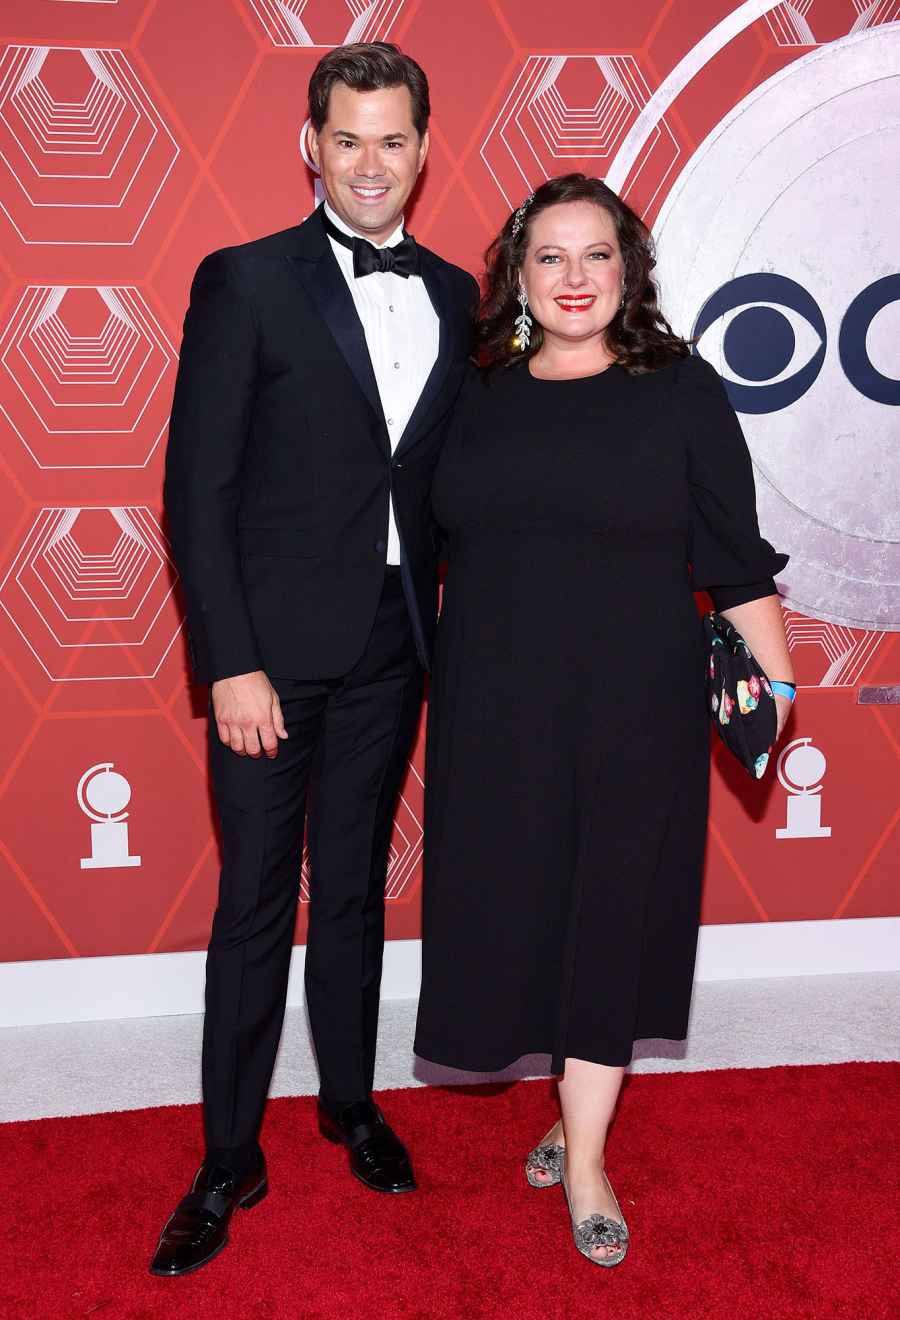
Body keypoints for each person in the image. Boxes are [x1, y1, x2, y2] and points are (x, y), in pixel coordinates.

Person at [413, 173, 794, 1267]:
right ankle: (566, 1103)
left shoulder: (682, 390)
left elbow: (735, 557)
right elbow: (424, 538)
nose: (574, 277)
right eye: (550, 257)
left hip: (637, 700)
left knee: (614, 913)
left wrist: (777, 694)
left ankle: (584, 1157)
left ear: (628, 271)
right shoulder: (474, 392)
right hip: (494, 702)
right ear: (519, 276)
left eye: (596, 256)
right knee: (521, 909)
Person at [153, 43, 478, 1276]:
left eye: (394, 139)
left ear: (423, 148)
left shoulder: (454, 293)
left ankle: (351, 1104)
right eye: (349, 138)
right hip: (271, 662)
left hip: (396, 644)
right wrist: (228, 662)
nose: (372, 162)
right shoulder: (245, 282)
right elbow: (198, 488)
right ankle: (229, 1156)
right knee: (254, 905)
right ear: (310, 146)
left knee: (351, 893)